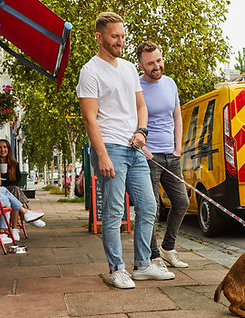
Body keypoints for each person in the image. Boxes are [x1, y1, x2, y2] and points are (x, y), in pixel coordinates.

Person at [76, 12, 174, 289]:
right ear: (99, 37)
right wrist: (102, 155)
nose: (120, 41)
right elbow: (89, 118)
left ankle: (143, 265)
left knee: (148, 206)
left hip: (134, 147)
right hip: (110, 147)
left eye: (122, 36)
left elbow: (141, 107)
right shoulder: (90, 71)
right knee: (114, 210)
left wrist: (142, 131)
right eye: (115, 36)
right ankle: (116, 268)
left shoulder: (130, 68)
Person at [137, 41, 189, 271]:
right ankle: (153, 255)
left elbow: (177, 117)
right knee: (152, 208)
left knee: (182, 202)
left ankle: (168, 249)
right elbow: (133, 121)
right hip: (149, 156)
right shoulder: (136, 87)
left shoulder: (170, 84)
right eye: (151, 63)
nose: (157, 66)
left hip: (172, 155)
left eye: (159, 60)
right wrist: (145, 152)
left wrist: (178, 148)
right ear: (141, 65)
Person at [0, 139, 46, 229]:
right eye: (0, 147)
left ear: (9, 149)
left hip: (11, 191)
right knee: (15, 191)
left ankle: (26, 214)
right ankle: (26, 214)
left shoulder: (15, 164)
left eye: (5, 147)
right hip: (0, 192)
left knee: (15, 191)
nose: (2, 150)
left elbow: (16, 181)